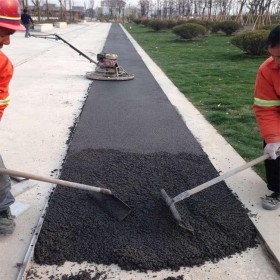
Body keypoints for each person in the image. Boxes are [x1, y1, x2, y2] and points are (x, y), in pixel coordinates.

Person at [0, 0, 25, 235]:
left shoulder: (3, 64)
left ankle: (1, 208)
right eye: (5, 33)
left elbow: (0, 100)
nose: (7, 42)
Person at [253, 25, 280, 211]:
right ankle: (277, 191)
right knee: (273, 152)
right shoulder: (267, 69)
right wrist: (273, 138)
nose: (276, 62)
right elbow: (266, 108)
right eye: (274, 56)